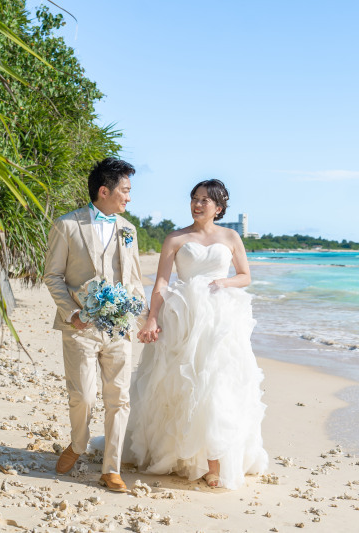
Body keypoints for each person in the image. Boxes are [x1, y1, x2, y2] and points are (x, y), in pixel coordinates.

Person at [127, 179, 268, 489]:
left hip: (219, 318)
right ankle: (180, 454)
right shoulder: (176, 238)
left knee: (216, 382)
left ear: (219, 207)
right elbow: (161, 282)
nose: (197, 204)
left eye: (205, 200)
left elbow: (245, 276)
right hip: (182, 316)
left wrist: (222, 283)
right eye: (194, 198)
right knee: (177, 383)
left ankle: (213, 462)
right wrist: (152, 319)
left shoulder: (230, 236)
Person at [43, 157, 145, 492]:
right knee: (84, 396)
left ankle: (111, 469)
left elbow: (134, 280)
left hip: (119, 328)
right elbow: (52, 276)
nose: (129, 197)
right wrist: (72, 313)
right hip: (80, 326)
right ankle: (77, 444)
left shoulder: (128, 230)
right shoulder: (67, 225)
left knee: (120, 398)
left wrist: (141, 318)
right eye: (124, 190)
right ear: (104, 191)